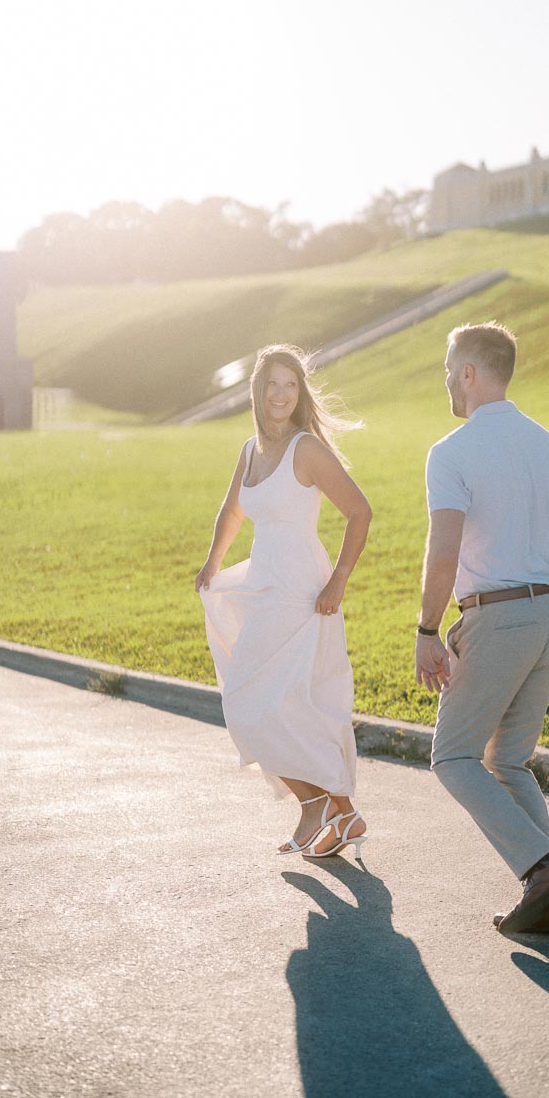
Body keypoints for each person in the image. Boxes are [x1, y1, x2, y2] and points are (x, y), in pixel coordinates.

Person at [415, 321, 549, 936]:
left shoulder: (452, 451)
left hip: (497, 617)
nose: (445, 379)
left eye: (448, 368)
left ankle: (544, 866)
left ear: (468, 371)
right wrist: (545, 604)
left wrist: (426, 629)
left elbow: (443, 553)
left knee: (455, 757)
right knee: (510, 762)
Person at [196, 344, 373, 860]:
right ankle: (341, 810)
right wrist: (212, 563)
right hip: (264, 584)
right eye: (272, 384)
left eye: (290, 385)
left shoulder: (307, 449)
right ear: (258, 390)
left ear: (300, 393)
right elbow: (232, 512)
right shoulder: (250, 451)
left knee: (255, 703)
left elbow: (360, 512)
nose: (280, 394)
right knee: (269, 702)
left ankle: (316, 805)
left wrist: (337, 581)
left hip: (300, 590)